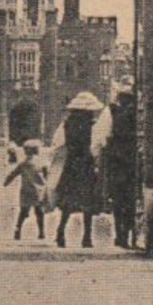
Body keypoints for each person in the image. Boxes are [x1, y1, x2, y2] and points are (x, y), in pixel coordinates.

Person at [53, 93, 104, 248]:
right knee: (87, 201)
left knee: (69, 201)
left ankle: (60, 232)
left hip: (71, 164)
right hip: (86, 164)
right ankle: (87, 237)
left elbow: (58, 144)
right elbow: (96, 145)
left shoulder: (66, 124)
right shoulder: (93, 125)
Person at [105, 89, 139, 249]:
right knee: (129, 202)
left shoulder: (116, 116)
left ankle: (121, 235)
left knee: (119, 203)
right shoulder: (131, 115)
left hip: (117, 166)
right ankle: (128, 236)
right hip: (129, 165)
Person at [4, 139, 49, 240]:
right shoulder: (42, 162)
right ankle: (41, 232)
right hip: (39, 191)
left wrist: (6, 182)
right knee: (39, 212)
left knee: (23, 212)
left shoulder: (22, 164)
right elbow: (47, 176)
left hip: (26, 190)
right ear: (37, 150)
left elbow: (13, 174)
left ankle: (18, 230)